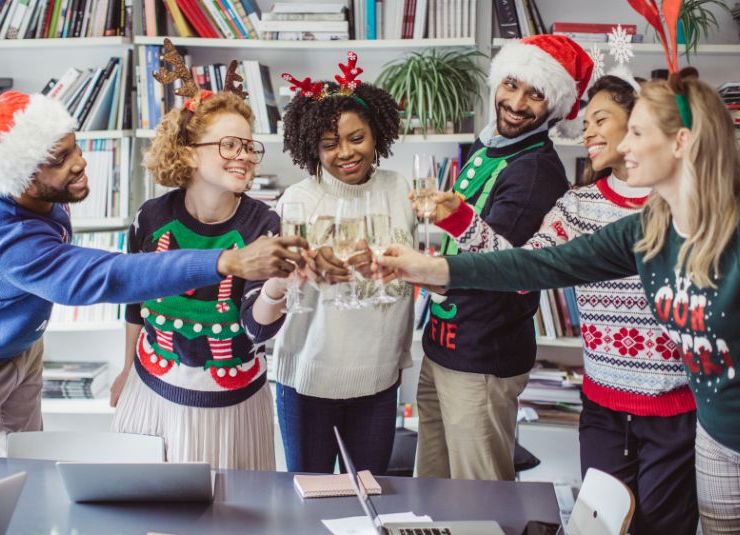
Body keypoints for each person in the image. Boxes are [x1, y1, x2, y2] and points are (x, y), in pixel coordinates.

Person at [379, 69, 740, 534]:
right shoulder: (644, 229)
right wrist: (431, 268)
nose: (621, 146)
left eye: (632, 130)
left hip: (693, 418)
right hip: (662, 419)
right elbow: (535, 266)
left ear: (680, 142)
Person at [0, 91, 305, 467]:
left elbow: (259, 322)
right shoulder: (8, 240)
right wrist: (227, 261)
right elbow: (111, 277)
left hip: (22, 347)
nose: (81, 162)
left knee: (23, 460)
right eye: (60, 158)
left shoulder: (44, 195)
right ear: (21, 178)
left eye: (75, 147)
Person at [412, 34, 593, 481]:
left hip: (483, 357)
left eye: (536, 94)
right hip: (444, 346)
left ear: (554, 107)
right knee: (431, 489)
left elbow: (506, 265)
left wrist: (430, 268)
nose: (517, 102)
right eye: (511, 84)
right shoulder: (491, 144)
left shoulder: (535, 171)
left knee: (481, 497)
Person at [108, 80, 294, 467]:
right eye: (229, 145)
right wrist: (127, 368)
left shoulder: (264, 223)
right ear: (189, 154)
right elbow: (133, 302)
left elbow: (257, 331)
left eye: (249, 146)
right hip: (152, 391)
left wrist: (277, 288)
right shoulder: (151, 217)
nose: (243, 156)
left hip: (232, 406)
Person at [272, 52, 415, 475]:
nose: (346, 153)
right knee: (311, 502)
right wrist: (309, 266)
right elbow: (279, 286)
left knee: (370, 500)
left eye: (357, 138)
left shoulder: (399, 189)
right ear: (312, 148)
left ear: (377, 135)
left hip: (379, 375)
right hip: (308, 378)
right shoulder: (299, 199)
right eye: (329, 144)